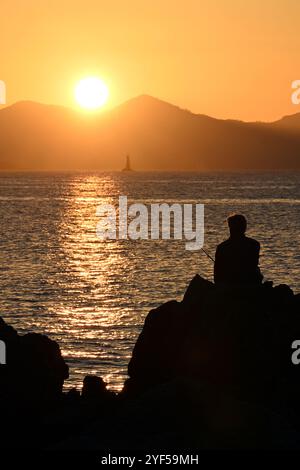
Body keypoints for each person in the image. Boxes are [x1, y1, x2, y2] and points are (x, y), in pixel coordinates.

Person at [214, 214, 263, 285]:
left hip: (228, 285)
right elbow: (253, 266)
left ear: (230, 227)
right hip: (250, 283)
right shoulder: (254, 244)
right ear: (244, 228)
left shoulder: (222, 247)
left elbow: (217, 275)